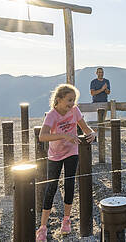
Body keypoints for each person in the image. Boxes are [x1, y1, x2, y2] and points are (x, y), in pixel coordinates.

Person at [36, 84, 96, 241]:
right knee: (52, 187)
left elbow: (85, 128)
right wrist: (63, 135)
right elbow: (42, 136)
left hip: (72, 152)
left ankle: (66, 220)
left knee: (69, 184)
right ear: (58, 100)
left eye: (74, 100)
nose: (72, 104)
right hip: (55, 155)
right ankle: (43, 226)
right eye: (69, 100)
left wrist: (92, 133)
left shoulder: (75, 110)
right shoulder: (52, 115)